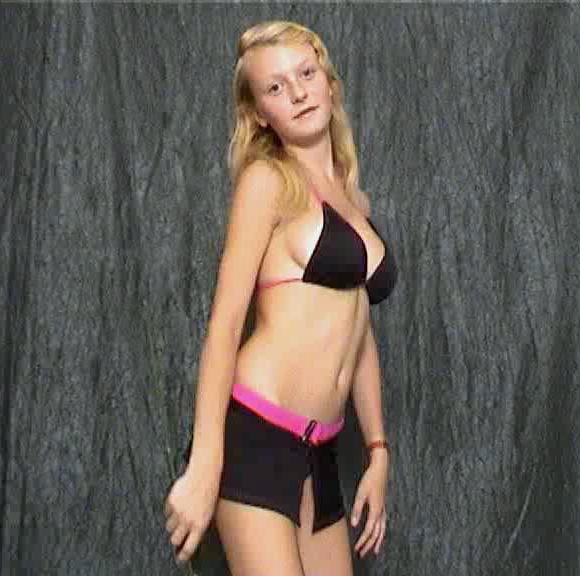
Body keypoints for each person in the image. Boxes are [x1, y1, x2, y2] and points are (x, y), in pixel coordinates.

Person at [163, 20, 398, 576]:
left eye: (306, 74)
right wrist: (206, 464)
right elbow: (225, 325)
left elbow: (358, 335)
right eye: (275, 87)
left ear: (329, 83)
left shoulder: (354, 199)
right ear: (260, 114)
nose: (297, 92)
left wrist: (378, 450)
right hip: (256, 438)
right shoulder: (267, 181)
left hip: (321, 452)